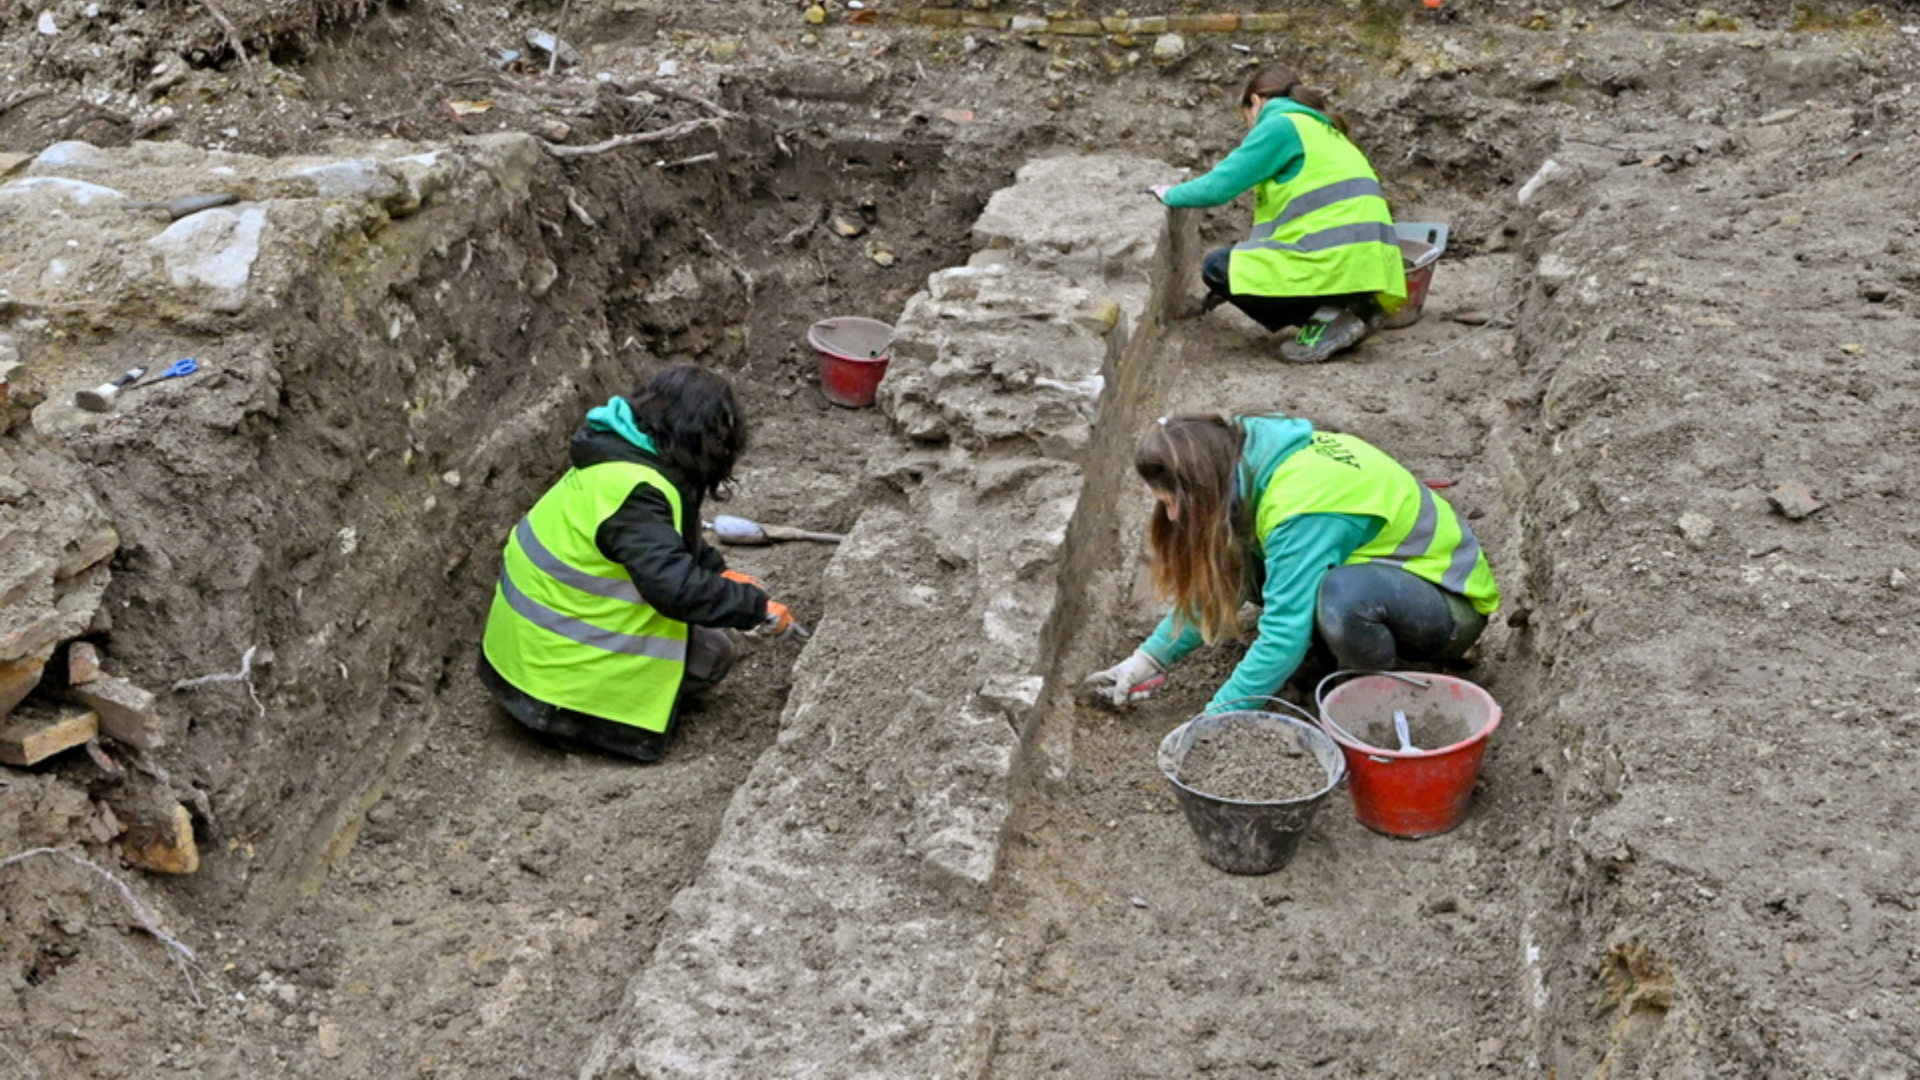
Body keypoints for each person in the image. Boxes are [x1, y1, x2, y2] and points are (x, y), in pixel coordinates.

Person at [478, 363, 798, 762]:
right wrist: (753, 607)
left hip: (523, 659)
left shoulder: (619, 457)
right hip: (552, 687)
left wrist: (717, 573)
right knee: (713, 654)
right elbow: (674, 587)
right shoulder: (637, 496)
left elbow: (669, 538)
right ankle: (596, 725)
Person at [1084, 413, 1499, 713]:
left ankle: (1361, 702)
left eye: (1173, 503)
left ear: (1204, 482)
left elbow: (1283, 634)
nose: (1172, 517)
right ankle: (1326, 654)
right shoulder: (1252, 463)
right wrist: (1146, 660)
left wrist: (1217, 717)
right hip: (1388, 580)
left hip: (1446, 606)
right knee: (1245, 555)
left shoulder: (1301, 508)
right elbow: (1222, 580)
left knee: (1344, 597)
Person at [1149, 66, 1407, 364]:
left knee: (1218, 267)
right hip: (1369, 267)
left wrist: (1168, 193)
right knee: (1242, 264)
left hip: (1336, 263)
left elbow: (1218, 187)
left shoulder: (1280, 126)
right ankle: (1355, 310)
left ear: (1256, 102)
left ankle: (1330, 321)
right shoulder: (1324, 129)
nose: (1248, 126)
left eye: (1245, 115)